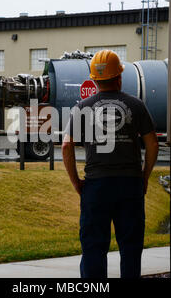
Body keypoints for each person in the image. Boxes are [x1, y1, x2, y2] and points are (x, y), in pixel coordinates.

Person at [62, 50, 159, 278]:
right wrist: (144, 177)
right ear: (119, 78)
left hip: (96, 187)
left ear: (94, 80)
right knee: (131, 249)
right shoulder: (136, 105)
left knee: (94, 249)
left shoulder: (81, 107)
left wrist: (77, 183)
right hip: (130, 186)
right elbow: (153, 144)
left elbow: (66, 146)